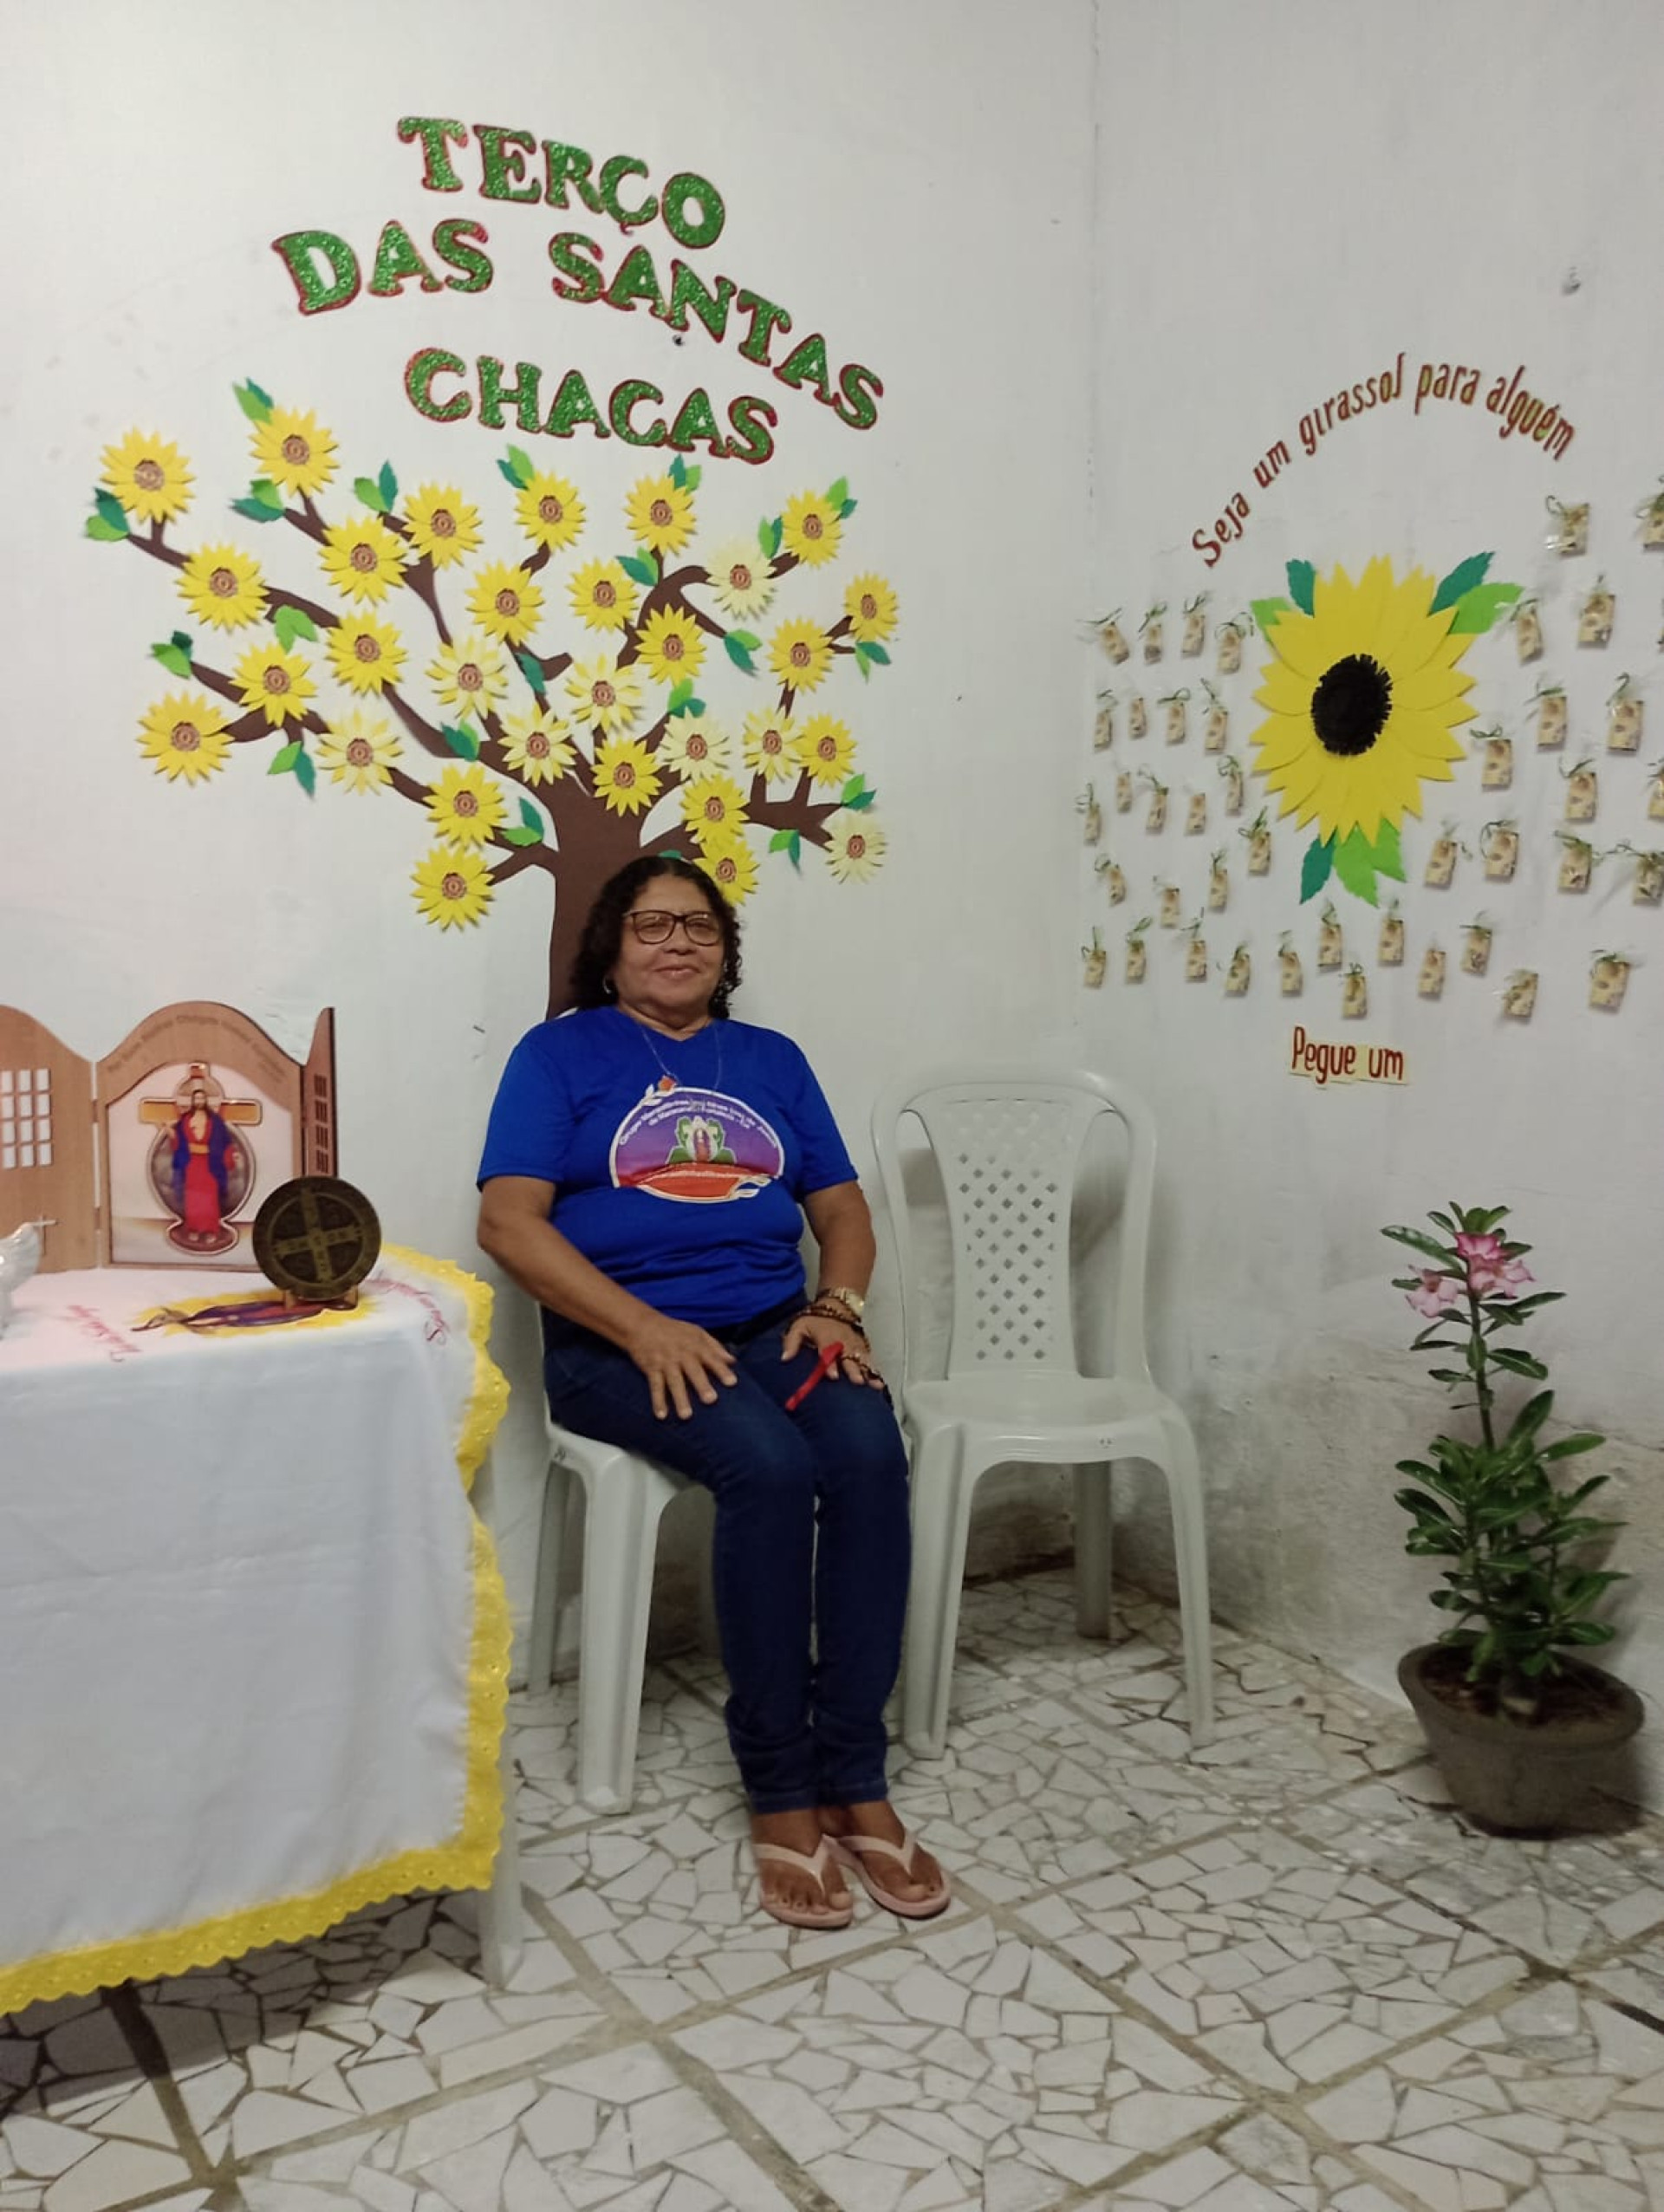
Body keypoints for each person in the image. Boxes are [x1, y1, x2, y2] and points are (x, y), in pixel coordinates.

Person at [477, 856, 947, 1929]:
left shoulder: (771, 1059)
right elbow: (507, 1221)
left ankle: (854, 1771)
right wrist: (642, 1326)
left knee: (869, 1450)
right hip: (615, 1343)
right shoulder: (558, 1054)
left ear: (726, 951)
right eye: (651, 924)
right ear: (610, 949)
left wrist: (838, 1306)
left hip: (776, 1326)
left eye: (699, 925)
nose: (677, 942)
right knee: (769, 1468)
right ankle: (780, 1788)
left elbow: (842, 1206)